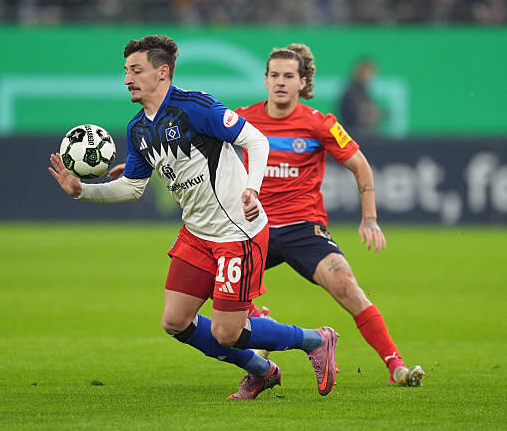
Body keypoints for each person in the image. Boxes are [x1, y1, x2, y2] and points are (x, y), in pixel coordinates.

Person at [49, 35, 339, 399]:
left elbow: (256, 141)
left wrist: (252, 189)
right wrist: (82, 191)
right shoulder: (138, 129)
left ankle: (315, 340)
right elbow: (133, 187)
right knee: (175, 321)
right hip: (197, 234)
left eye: (136, 70)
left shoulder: (195, 107)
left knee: (227, 332)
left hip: (237, 233)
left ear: (163, 72)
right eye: (125, 71)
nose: (127, 79)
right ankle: (261, 370)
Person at [236, 44, 424, 386]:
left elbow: (360, 165)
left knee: (346, 285)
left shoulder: (318, 123)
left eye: (288, 76)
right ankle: (261, 321)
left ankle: (396, 366)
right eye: (274, 75)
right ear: (265, 80)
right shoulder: (242, 120)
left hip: (302, 228)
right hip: (254, 226)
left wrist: (370, 218)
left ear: (302, 82)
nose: (280, 82)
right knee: (208, 276)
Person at [338, 57, 380, 144]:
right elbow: (359, 114)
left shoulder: (363, 91)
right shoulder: (351, 92)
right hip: (355, 137)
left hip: (360, 136)